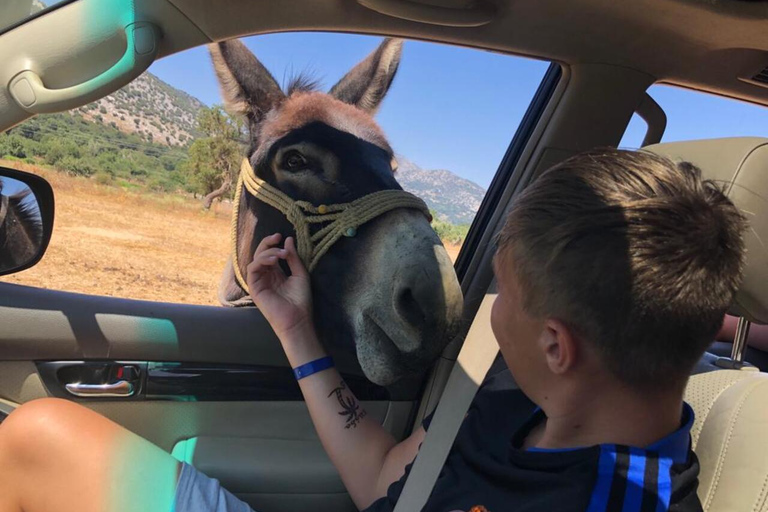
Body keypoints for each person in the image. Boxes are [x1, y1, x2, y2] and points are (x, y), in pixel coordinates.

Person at [0, 149, 746, 512]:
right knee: (36, 435)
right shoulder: (518, 403)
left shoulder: (623, 503)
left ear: (557, 345)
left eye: (506, 297)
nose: (489, 315)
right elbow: (384, 479)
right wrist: (294, 330)